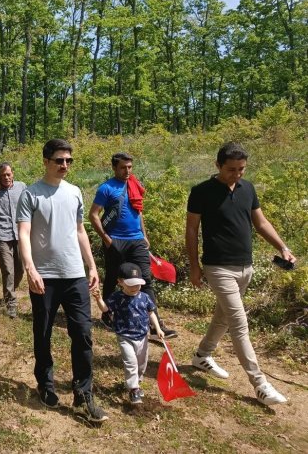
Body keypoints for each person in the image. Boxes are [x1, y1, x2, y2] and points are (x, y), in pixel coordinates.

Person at [186, 142, 295, 406]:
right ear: (218, 166)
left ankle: (202, 355)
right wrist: (194, 266)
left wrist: (282, 247)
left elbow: (261, 222)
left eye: (241, 169)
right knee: (238, 323)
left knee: (223, 317)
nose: (237, 174)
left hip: (245, 266)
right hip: (218, 267)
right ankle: (260, 384)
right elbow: (191, 231)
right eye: (231, 169)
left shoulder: (248, 189)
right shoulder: (201, 192)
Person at [16, 139, 108, 423]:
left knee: (82, 333)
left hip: (75, 275)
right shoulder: (31, 195)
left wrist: (92, 266)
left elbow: (80, 230)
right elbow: (23, 234)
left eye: (68, 160)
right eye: (59, 160)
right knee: (42, 333)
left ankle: (83, 393)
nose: (64, 165)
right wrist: (30, 269)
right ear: (46, 161)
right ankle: (45, 384)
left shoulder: (75, 192)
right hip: (44, 277)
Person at [89, 152, 177, 339]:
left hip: (136, 240)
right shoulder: (106, 188)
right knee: (114, 277)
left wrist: (144, 235)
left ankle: (155, 326)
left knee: (145, 279)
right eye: (123, 167)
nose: (127, 170)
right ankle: (108, 314)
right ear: (114, 168)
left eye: (130, 167)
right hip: (115, 240)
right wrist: (106, 239)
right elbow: (93, 215)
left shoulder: (134, 185)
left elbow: (138, 211)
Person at [91, 263, 164, 405]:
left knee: (142, 363)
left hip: (143, 336)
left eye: (138, 284)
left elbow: (151, 313)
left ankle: (137, 382)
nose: (135, 287)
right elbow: (106, 309)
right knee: (131, 362)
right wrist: (99, 299)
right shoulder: (117, 297)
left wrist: (157, 329)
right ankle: (134, 389)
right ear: (120, 282)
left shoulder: (144, 297)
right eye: (131, 284)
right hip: (125, 336)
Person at [0, 162, 27, 318]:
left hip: (20, 234)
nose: (6, 177)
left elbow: (30, 205)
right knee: (8, 270)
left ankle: (10, 290)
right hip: (2, 235)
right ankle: (11, 303)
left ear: (13, 174)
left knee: (20, 270)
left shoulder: (22, 186)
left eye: (8, 174)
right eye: (3, 175)